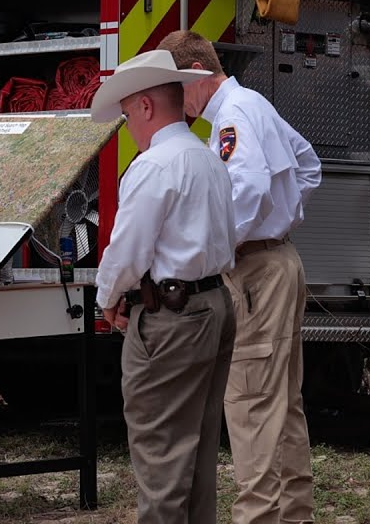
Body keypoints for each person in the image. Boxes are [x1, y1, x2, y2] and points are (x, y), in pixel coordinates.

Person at [159, 30, 321, 524]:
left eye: (175, 87)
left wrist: (215, 250)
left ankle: (258, 517)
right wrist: (281, 223)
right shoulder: (251, 105)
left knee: (250, 404)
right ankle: (292, 513)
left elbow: (245, 190)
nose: (172, 100)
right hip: (277, 261)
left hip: (254, 269)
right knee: (281, 405)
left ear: (196, 76)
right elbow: (308, 164)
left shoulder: (230, 116)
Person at [89, 49, 237, 524]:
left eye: (129, 112)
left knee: (161, 454)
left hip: (172, 314)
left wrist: (106, 298)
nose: (130, 124)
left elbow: (128, 249)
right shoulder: (207, 158)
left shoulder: (154, 165)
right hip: (213, 302)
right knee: (197, 448)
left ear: (147, 107)